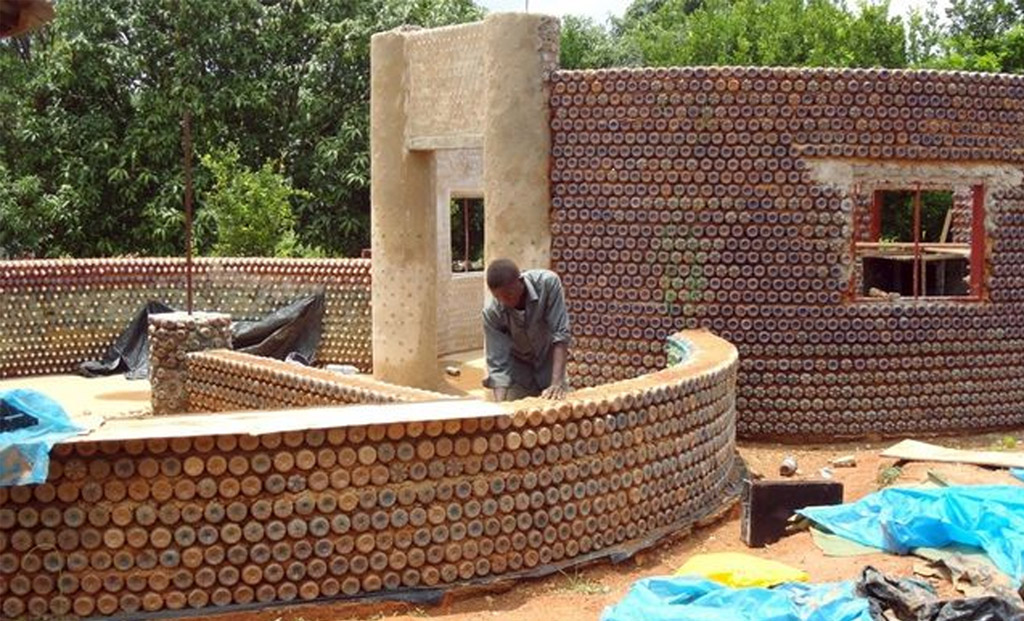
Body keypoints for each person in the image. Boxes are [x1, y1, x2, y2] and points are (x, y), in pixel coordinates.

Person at [482, 258, 571, 401]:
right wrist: (500, 407)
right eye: (498, 297)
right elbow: (498, 363)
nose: (504, 301)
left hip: (549, 368)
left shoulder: (548, 284)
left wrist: (556, 384)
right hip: (519, 377)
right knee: (515, 418)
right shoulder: (492, 313)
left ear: (520, 281)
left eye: (508, 295)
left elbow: (560, 334)